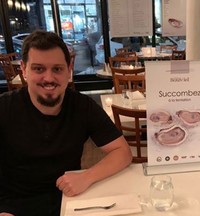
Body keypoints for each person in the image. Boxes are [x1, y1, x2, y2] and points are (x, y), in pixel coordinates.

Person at [0, 30, 132, 216]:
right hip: (13, 206)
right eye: (38, 69)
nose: (49, 78)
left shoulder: (82, 105)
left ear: (69, 69)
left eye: (57, 69)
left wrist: (87, 176)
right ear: (24, 69)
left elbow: (123, 152)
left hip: (70, 200)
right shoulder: (4, 108)